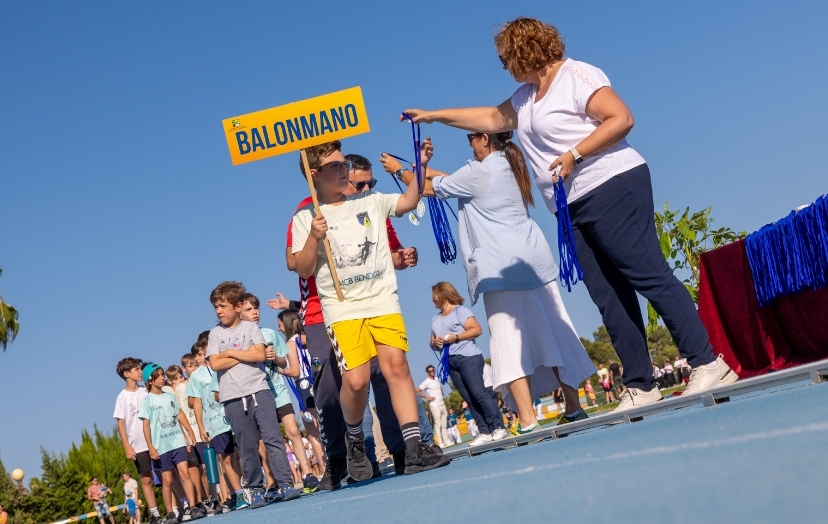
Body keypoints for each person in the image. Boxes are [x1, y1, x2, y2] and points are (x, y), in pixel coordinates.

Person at [401, 16, 737, 411]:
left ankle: (707, 361)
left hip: (612, 183)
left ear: (524, 50)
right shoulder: (526, 97)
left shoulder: (576, 75)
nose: (504, 66)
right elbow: (491, 117)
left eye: (505, 58)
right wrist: (434, 115)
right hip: (570, 205)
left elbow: (621, 118)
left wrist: (576, 153)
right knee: (608, 296)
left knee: (647, 274)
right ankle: (641, 384)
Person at [384, 130, 594, 434]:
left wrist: (399, 170)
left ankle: (528, 420)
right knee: (552, 335)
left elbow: (427, 190)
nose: (469, 143)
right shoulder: (509, 165)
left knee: (508, 341)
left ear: (484, 138)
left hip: (501, 268)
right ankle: (574, 408)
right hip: (534, 262)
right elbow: (454, 179)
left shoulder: (477, 172)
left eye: (471, 137)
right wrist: (423, 169)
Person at [291, 140, 449, 478]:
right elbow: (303, 269)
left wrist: (420, 165)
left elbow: (409, 200)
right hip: (343, 309)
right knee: (357, 380)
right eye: (335, 165)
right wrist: (314, 237)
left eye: (344, 164)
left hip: (382, 299)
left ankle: (414, 447)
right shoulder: (307, 217)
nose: (344, 169)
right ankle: (354, 440)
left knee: (397, 366)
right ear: (314, 174)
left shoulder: (372, 201)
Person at [205, 281, 302, 506]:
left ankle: (285, 483)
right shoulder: (215, 334)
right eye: (216, 307)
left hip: (260, 391)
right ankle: (255, 488)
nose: (219, 311)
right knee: (247, 445)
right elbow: (215, 363)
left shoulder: (251, 329)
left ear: (238, 306)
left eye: (223, 306)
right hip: (232, 397)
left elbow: (260, 355)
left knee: (272, 438)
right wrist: (243, 352)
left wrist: (229, 353)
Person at [240, 294, 321, 494]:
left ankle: (307, 474)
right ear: (239, 312)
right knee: (266, 441)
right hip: (257, 394)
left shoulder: (269, 334)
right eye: (249, 309)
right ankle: (273, 482)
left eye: (256, 308)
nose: (255, 313)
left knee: (293, 431)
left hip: (278, 390)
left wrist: (274, 357)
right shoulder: (239, 340)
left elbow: (285, 362)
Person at [428, 284, 508, 446]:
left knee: (479, 393)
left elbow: (477, 330)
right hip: (450, 362)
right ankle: (485, 432)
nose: (432, 299)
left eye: (434, 295)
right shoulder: (435, 319)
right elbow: (432, 343)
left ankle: (498, 427)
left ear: (443, 294)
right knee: (469, 399)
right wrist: (435, 343)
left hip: (469, 358)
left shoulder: (460, 311)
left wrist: (456, 337)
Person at [139, 363, 205, 522]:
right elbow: (146, 426)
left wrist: (189, 432)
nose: (163, 378)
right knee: (167, 480)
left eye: (163, 374)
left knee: (185, 473)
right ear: (150, 380)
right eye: (159, 376)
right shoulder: (147, 401)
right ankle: (170, 513)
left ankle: (193, 507)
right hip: (161, 446)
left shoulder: (169, 396)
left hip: (177, 442)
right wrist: (150, 446)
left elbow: (179, 414)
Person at [185, 336, 244, 512]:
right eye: (197, 354)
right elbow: (195, 402)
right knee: (226, 459)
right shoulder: (196, 376)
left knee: (240, 456)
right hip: (215, 423)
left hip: (233, 415)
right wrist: (201, 427)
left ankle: (247, 489)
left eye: (201, 353)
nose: (199, 357)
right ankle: (239, 494)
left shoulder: (222, 365)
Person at [113, 358, 162, 524]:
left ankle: (176, 508)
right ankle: (155, 514)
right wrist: (127, 446)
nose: (141, 372)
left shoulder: (146, 391)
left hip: (155, 440)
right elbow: (120, 424)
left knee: (166, 475)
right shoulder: (122, 397)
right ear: (127, 374)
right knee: (146, 479)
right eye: (136, 369)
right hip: (138, 445)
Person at [166, 365, 211, 515]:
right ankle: (194, 503)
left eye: (180, 377)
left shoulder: (184, 388)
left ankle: (204, 499)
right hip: (181, 438)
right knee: (186, 472)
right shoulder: (171, 393)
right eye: (175, 379)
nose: (179, 380)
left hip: (194, 434)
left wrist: (191, 432)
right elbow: (177, 417)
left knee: (201, 469)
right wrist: (185, 435)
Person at [417, 365, 451, 447]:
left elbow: (440, 387)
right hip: (434, 405)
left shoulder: (437, 379)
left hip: (442, 404)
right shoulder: (426, 382)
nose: (432, 372)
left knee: (444, 424)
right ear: (427, 372)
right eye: (430, 371)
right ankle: (440, 442)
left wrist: (442, 394)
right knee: (437, 424)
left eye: (433, 370)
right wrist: (427, 397)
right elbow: (417, 390)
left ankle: (446, 441)